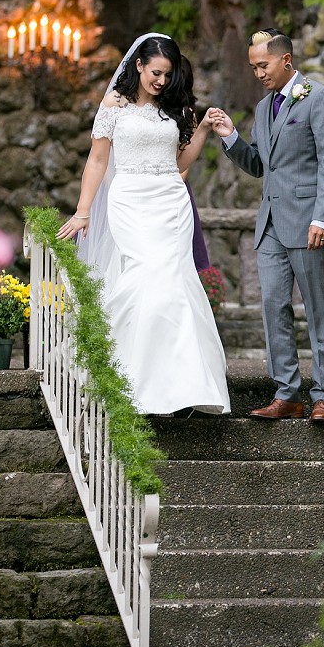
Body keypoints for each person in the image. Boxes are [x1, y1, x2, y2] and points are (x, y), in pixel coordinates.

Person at [56, 33, 230, 416]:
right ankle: (119, 377)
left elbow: (182, 162)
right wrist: (83, 210)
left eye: (167, 75)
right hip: (130, 200)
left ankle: (181, 386)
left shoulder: (171, 107)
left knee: (175, 282)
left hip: (171, 201)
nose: (161, 82)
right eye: (156, 73)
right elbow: (98, 161)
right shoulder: (114, 104)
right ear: (138, 65)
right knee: (144, 277)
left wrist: (201, 131)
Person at [209, 28, 324, 423]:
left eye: (263, 65)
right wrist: (231, 138)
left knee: (320, 309)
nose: (258, 73)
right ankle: (287, 393)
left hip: (311, 223)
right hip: (270, 224)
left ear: (285, 60)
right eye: (253, 67)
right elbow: (260, 166)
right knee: (273, 308)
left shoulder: (318, 98)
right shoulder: (263, 108)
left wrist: (323, 216)